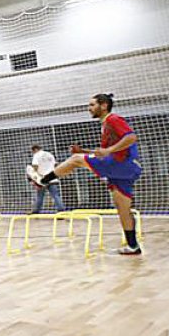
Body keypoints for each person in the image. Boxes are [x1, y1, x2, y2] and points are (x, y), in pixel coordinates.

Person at [30, 93, 143, 255]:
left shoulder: (112, 119)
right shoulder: (105, 125)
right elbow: (101, 153)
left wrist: (107, 150)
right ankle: (133, 246)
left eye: (91, 105)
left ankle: (43, 180)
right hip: (124, 170)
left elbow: (131, 137)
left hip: (121, 164)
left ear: (103, 105)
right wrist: (83, 151)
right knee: (123, 209)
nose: (88, 108)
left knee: (75, 160)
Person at [26, 145, 66, 214]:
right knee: (55, 195)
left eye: (32, 151)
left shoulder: (36, 155)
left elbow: (35, 166)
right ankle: (61, 210)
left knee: (40, 196)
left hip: (42, 179)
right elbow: (55, 165)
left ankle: (36, 211)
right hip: (52, 178)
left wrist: (34, 177)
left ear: (35, 149)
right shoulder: (50, 154)